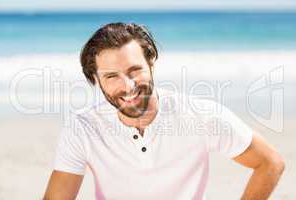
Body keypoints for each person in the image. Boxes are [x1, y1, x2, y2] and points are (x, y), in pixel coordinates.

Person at [44, 22, 285, 200]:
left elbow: (270, 163)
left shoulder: (199, 116)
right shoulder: (83, 128)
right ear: (96, 80)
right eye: (111, 76)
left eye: (134, 70)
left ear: (151, 63)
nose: (127, 86)